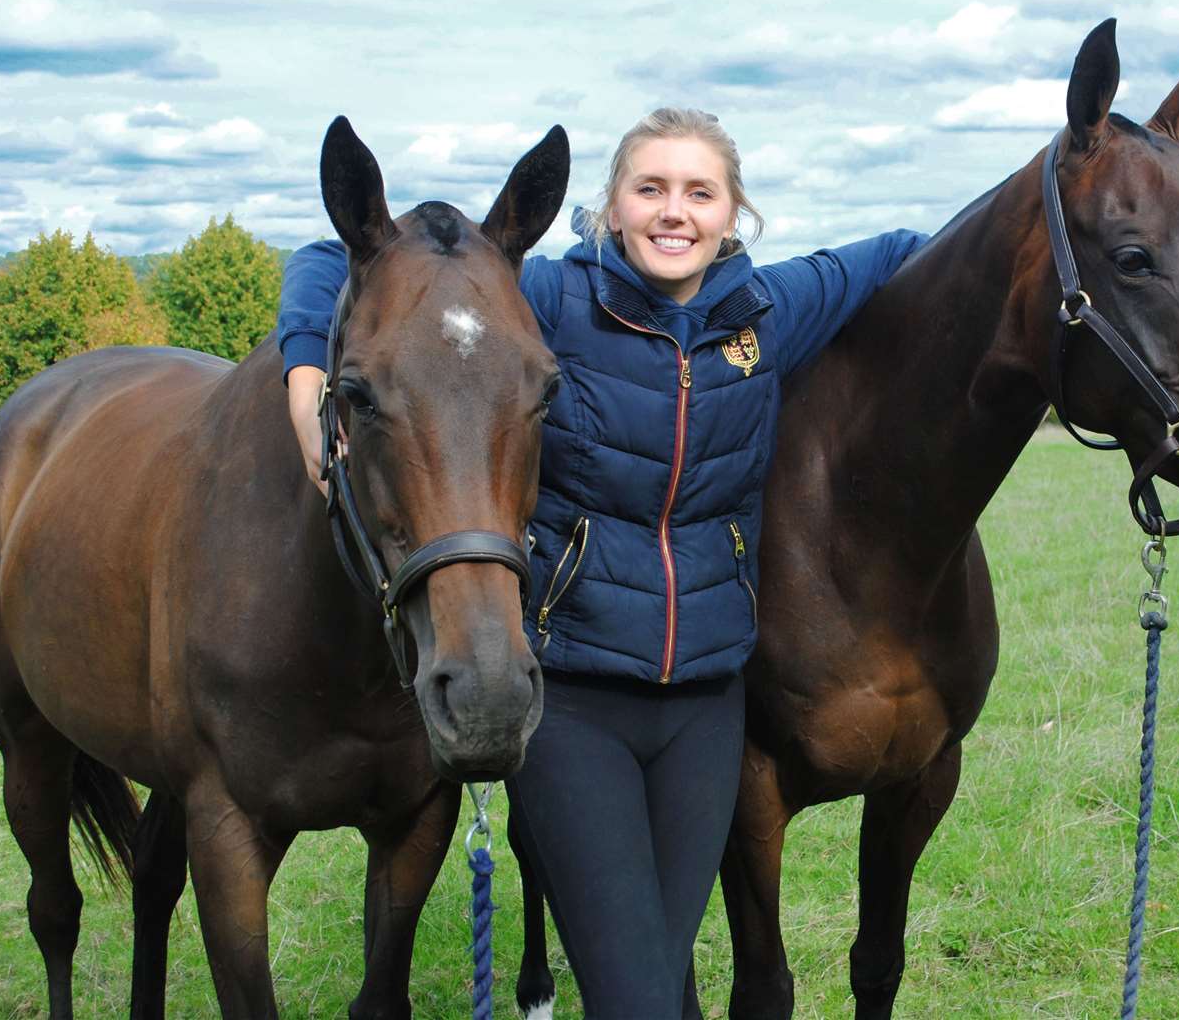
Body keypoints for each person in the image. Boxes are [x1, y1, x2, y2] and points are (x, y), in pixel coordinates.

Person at [277, 107, 925, 1018]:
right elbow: (327, 258)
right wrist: (305, 368)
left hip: (704, 705)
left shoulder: (767, 315)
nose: (674, 211)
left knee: (664, 983)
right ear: (611, 208)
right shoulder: (544, 299)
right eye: (649, 188)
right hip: (576, 702)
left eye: (699, 192)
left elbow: (912, 249)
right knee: (636, 999)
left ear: (731, 213)